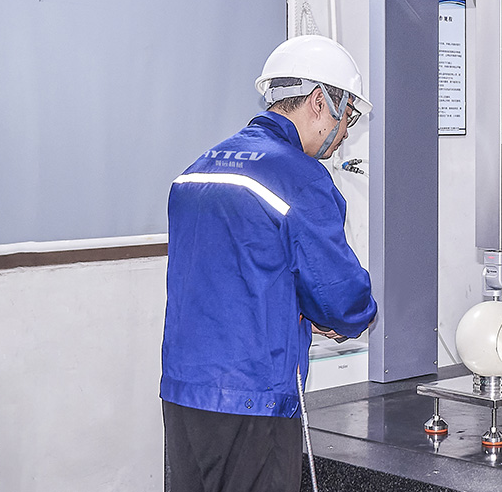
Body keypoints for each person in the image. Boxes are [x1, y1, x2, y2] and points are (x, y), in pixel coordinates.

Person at [160, 35, 378, 492]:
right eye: (348, 116)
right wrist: (341, 317)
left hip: (183, 391)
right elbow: (343, 299)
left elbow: (235, 273)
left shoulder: (199, 168)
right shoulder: (299, 178)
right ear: (320, 102)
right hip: (253, 399)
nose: (345, 133)